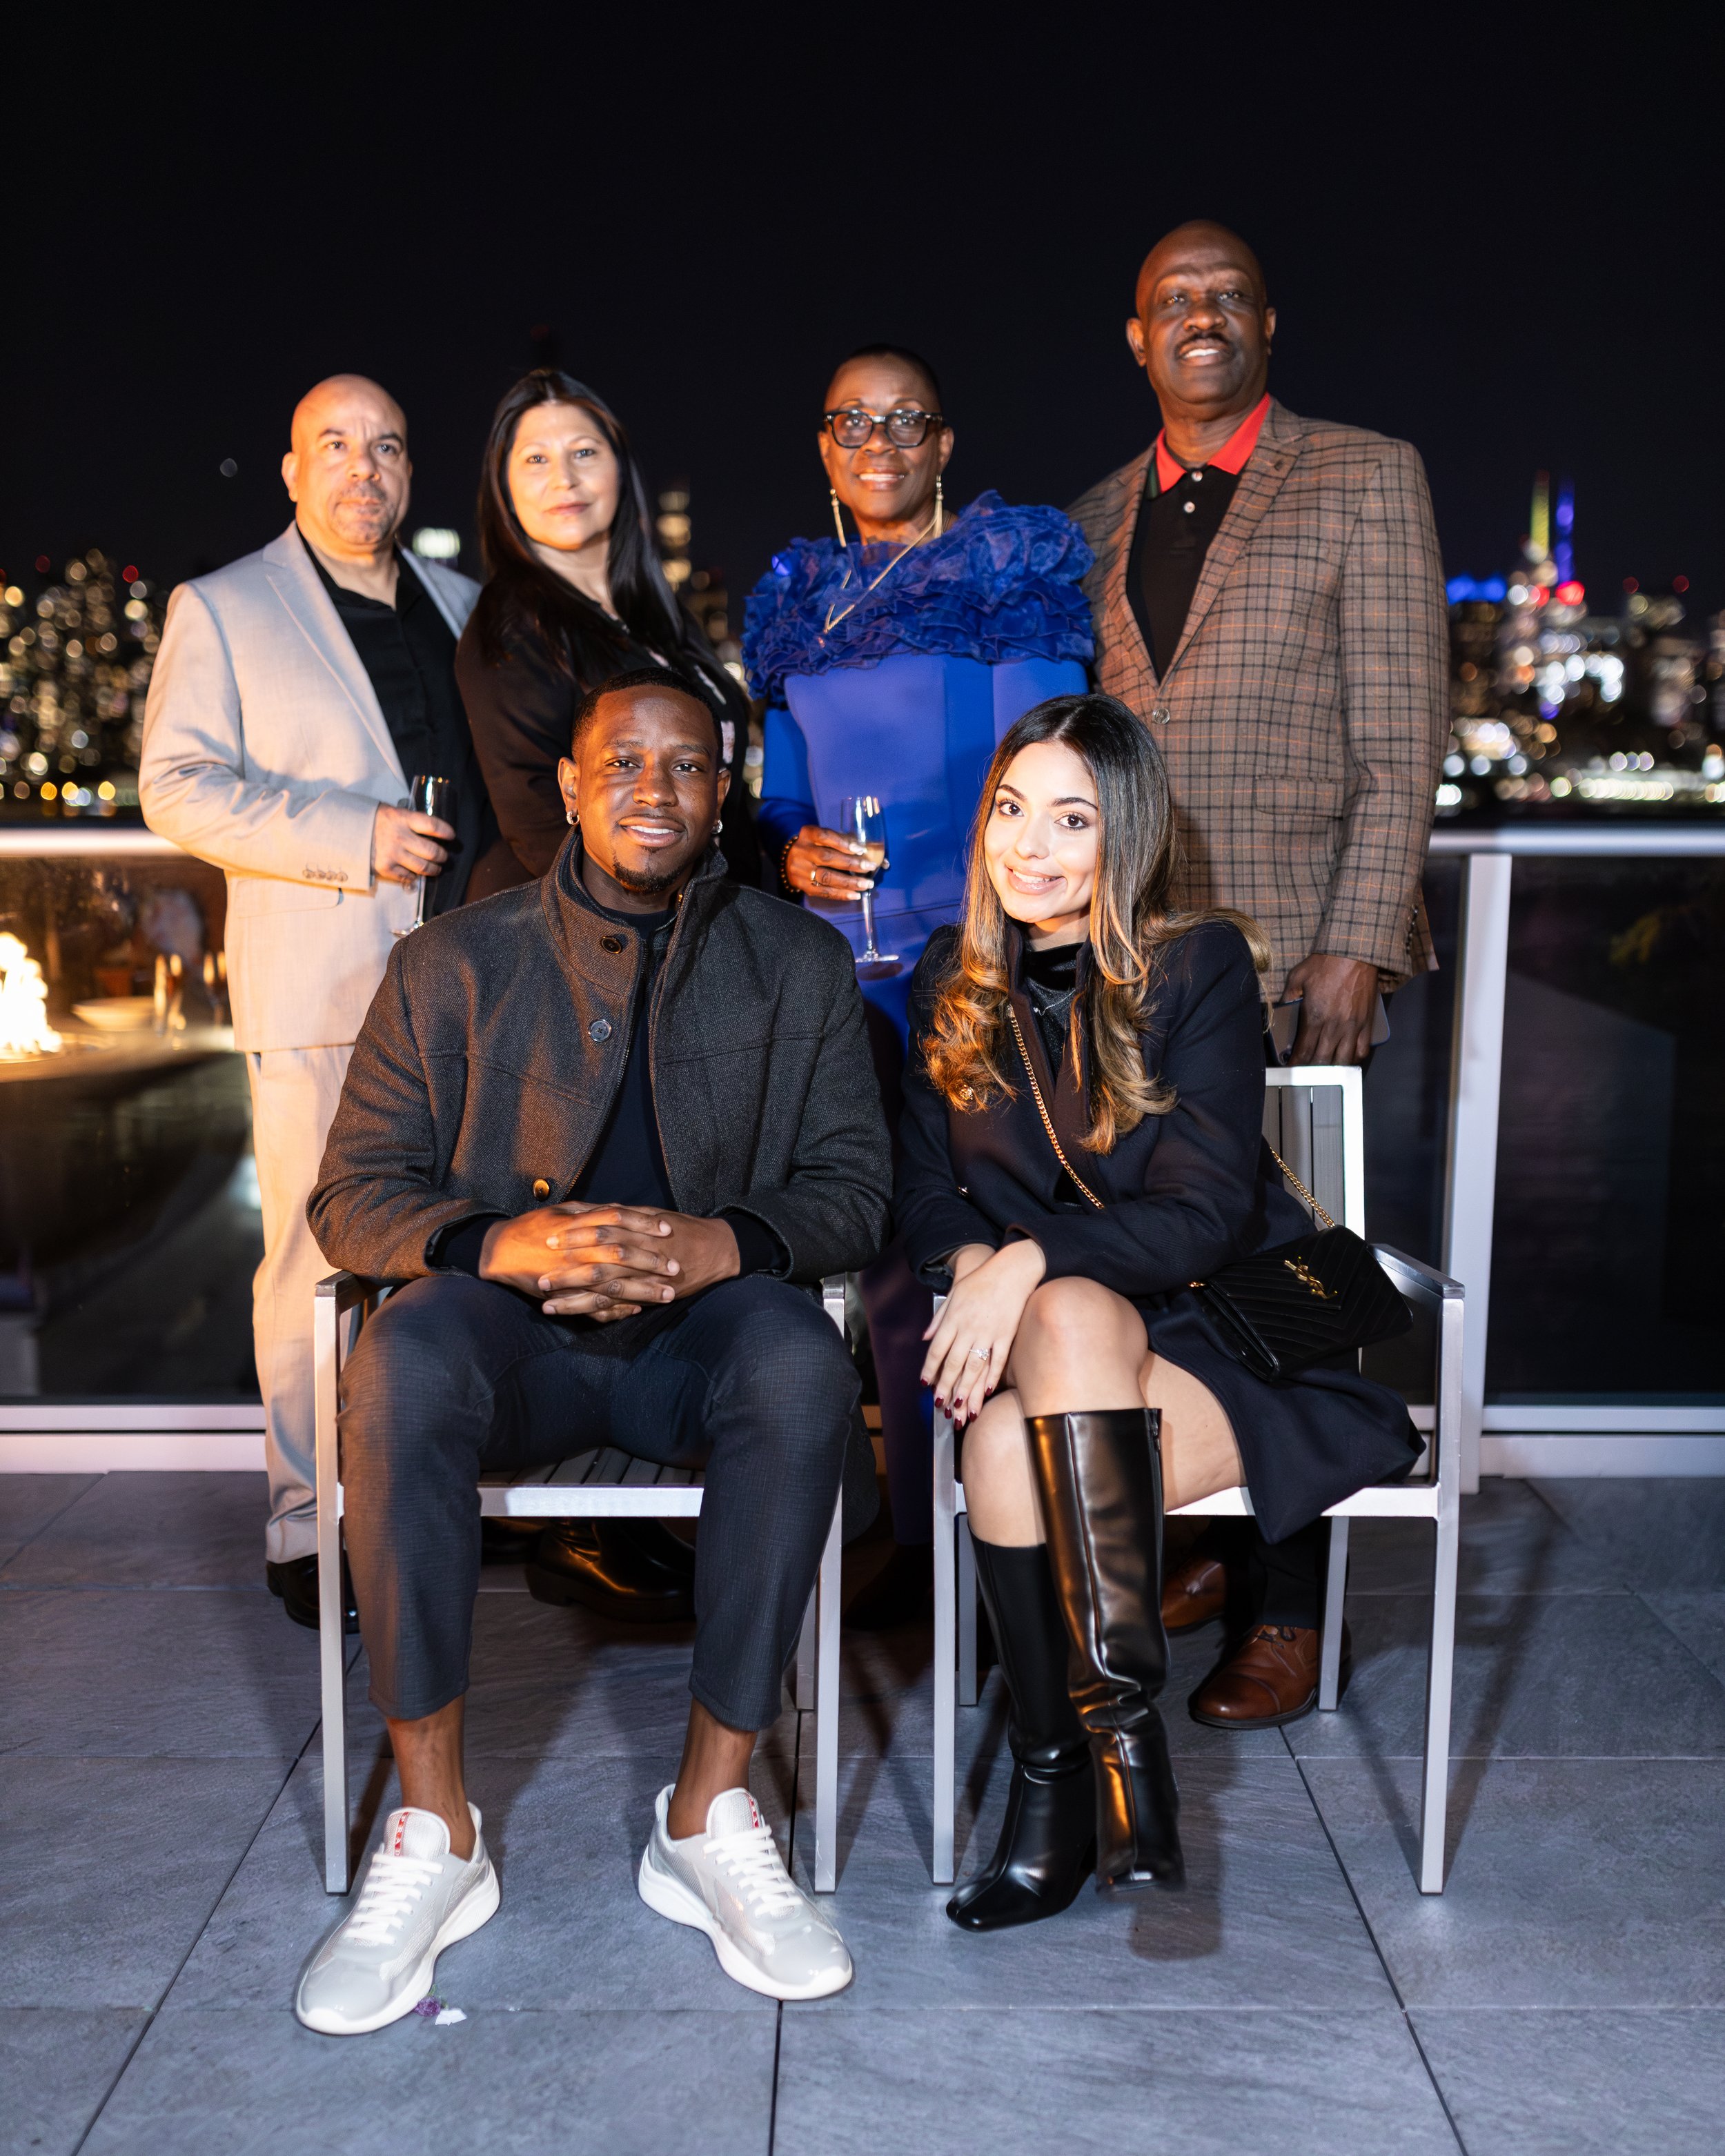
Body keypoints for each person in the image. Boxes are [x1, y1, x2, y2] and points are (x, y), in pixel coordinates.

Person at [295, 669, 889, 2030]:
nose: (653, 790)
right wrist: (497, 1243)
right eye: (622, 762)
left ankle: (706, 1811)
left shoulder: (795, 960)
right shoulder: (449, 959)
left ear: (722, 791)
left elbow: (857, 1187)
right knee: (399, 1363)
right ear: (569, 785)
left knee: (803, 1367)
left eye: (686, 765)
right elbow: (349, 1196)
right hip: (507, 1339)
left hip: (701, 1339)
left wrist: (723, 1243)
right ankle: (436, 1833)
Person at [895, 691, 1420, 1930]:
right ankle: (1111, 1760)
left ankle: (1071, 1782)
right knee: (1043, 1362)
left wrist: (1019, 1262)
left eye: (1071, 819)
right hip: (1074, 1349)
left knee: (1028, 1383)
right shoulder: (949, 979)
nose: (1030, 846)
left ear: (1124, 835)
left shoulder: (1197, 963)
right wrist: (977, 1261)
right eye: (1011, 810)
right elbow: (919, 1188)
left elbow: (1205, 1214)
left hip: (1219, 1337)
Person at [1067, 223, 1448, 1726]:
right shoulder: (1091, 514)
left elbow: (1402, 732)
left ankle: (1289, 1605)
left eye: (1227, 295)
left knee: (1297, 1278)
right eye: (1174, 299)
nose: (1201, 315)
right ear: (1136, 335)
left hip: (1300, 956)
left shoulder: (1364, 473)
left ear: (1267, 322)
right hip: (1139, 976)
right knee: (1172, 1260)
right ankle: (1212, 1541)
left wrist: (1361, 937)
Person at [742, 344, 1092, 1623]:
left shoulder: (1004, 567)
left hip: (983, 961)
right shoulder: (798, 595)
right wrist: (791, 848)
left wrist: (992, 947)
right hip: (841, 973)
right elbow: (781, 793)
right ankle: (914, 1536)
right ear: (823, 447)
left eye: (905, 420)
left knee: (980, 1232)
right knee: (878, 1246)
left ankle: (1021, 1541)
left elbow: (1054, 772)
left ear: (944, 443)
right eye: (851, 421)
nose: (877, 441)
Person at [139, 375, 490, 1628]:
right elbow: (175, 787)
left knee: (456, 1246)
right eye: (333, 444)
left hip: (472, 985)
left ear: (410, 470)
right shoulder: (224, 606)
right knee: (312, 1256)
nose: (363, 466)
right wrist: (357, 833)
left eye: (386, 445)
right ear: (292, 472)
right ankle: (309, 1524)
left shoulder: (464, 602)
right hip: (323, 984)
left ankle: (435, 1497)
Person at [457, 369, 758, 902]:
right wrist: (664, 922)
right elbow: (537, 821)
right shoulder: (509, 622)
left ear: (620, 467)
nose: (565, 479)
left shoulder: (661, 611)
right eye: (536, 459)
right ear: (504, 487)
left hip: (712, 913)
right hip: (602, 929)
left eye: (584, 452)